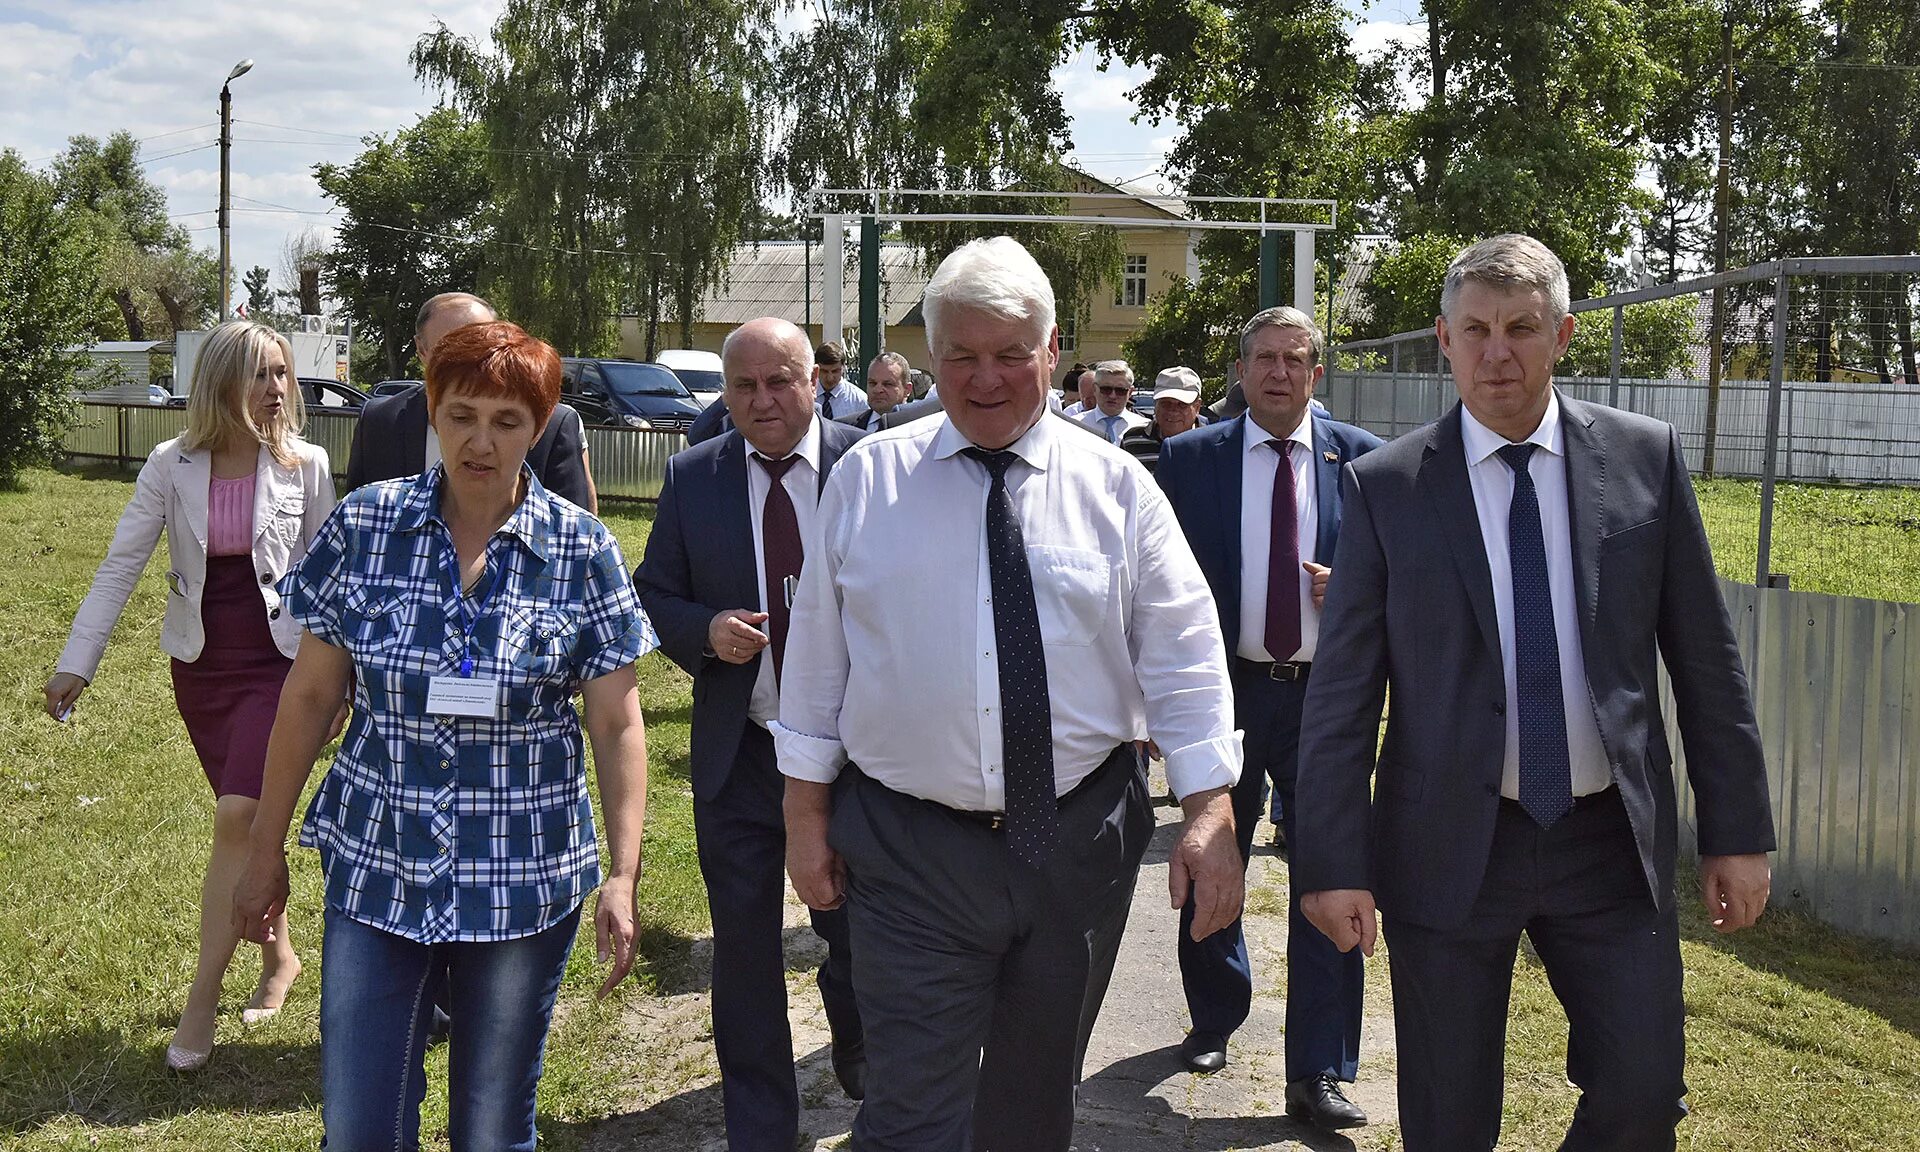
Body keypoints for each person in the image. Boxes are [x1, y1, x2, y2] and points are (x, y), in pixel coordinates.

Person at [1295, 234, 1776, 1150]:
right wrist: (1331, 859)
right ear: (1443, 339)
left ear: (1561, 336)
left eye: (1521, 328)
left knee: (1642, 1094)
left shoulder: (1645, 459)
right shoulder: (1387, 487)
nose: (1496, 351)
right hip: (1447, 844)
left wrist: (1738, 832)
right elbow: (1344, 697)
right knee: (1447, 1119)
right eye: (1475, 329)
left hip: (1606, 841)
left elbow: (1708, 663)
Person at [776, 236, 1245, 1150]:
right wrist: (804, 818)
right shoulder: (868, 482)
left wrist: (1210, 809)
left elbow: (1184, 654)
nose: (984, 379)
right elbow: (817, 664)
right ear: (930, 354)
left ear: (1053, 349)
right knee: (912, 1112)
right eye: (961, 355)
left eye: (1008, 355)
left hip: (1075, 845)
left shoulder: (1120, 491)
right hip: (909, 849)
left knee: (1035, 1108)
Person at [231, 321, 655, 1147]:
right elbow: (310, 697)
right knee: (359, 1127)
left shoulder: (579, 548)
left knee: (492, 1129)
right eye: (462, 415)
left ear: (539, 429)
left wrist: (624, 873)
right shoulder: (366, 526)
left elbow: (617, 719)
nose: (481, 442)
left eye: (507, 421)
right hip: (380, 865)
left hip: (522, 876)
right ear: (433, 414)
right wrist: (264, 848)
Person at [43, 321, 337, 1071]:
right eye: (260, 376)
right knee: (247, 830)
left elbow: (334, 586)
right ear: (220, 387)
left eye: (282, 374)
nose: (276, 389)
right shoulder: (171, 465)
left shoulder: (307, 464)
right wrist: (80, 661)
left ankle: (199, 1004)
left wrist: (343, 685)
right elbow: (120, 565)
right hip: (203, 669)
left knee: (237, 816)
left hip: (284, 666)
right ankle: (281, 959)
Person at [634, 316, 868, 1148]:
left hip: (855, 763)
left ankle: (863, 1047)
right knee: (744, 949)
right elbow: (653, 590)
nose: (762, 400)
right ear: (724, 393)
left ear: (816, 382)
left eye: (780, 381)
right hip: (742, 751)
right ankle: (761, 1124)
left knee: (856, 930)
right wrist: (707, 631)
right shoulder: (695, 476)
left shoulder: (871, 465)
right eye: (744, 386)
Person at [1155, 306, 1381, 1128]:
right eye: (1264, 358)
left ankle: (1319, 1069)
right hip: (1226, 692)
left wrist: (1351, 586)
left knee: (1333, 871)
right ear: (1241, 372)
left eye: (1296, 359)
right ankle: (1214, 1016)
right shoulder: (1187, 461)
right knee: (1214, 852)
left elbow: (1398, 587)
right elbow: (1155, 590)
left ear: (1318, 374)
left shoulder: (1364, 463)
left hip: (1328, 700)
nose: (1280, 372)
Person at [346, 291, 598, 511]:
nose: (469, 362)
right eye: (450, 352)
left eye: (507, 423)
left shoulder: (554, 423)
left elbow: (576, 525)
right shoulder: (379, 422)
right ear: (421, 350)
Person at [1119, 365, 1209, 472]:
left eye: (1182, 404)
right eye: (1166, 403)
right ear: (1155, 405)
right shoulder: (1132, 440)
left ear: (1197, 406)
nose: (1173, 410)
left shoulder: (1213, 443)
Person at [1075, 360, 1149, 444]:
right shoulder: (1076, 425)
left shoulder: (1144, 427)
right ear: (1095, 389)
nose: (1112, 396)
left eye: (1120, 390)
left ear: (1130, 392)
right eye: (1106, 389)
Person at [842, 351, 913, 431]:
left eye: (887, 384)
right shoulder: (845, 427)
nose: (878, 390)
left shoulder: (919, 427)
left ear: (907, 390)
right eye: (873, 383)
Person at [813, 340, 867, 422]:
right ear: (816, 369)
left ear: (843, 368)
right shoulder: (806, 395)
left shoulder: (859, 401)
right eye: (824, 371)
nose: (830, 378)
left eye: (835, 371)